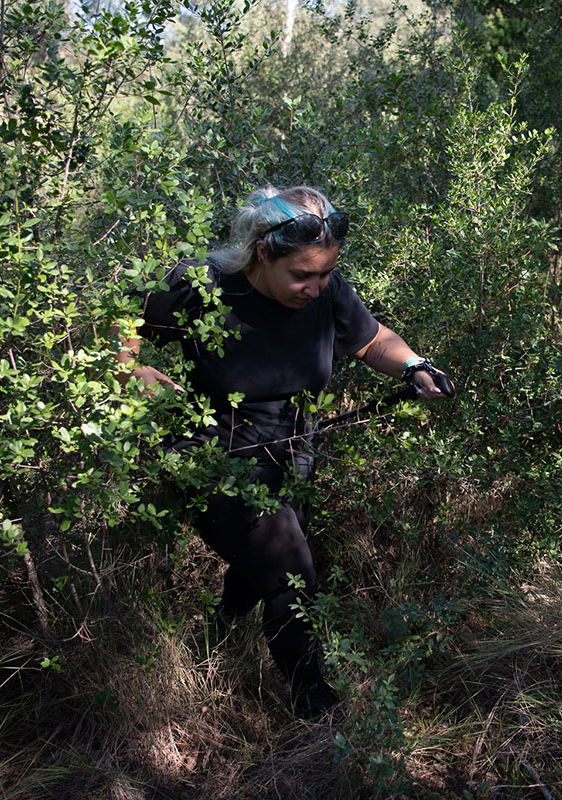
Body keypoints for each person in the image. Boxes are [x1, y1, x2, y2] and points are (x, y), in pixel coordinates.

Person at [115, 185, 453, 719]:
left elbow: (368, 340)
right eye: (303, 275)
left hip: (291, 455)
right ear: (263, 253)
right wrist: (129, 368)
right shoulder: (202, 285)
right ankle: (316, 705)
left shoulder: (327, 289)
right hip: (212, 458)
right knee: (291, 567)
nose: (316, 288)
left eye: (324, 273)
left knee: (265, 562)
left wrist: (413, 365)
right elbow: (122, 312)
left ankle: (216, 631)